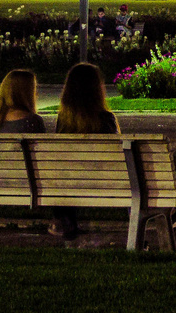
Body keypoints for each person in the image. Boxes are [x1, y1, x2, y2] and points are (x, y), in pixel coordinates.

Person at [50, 63, 120, 238]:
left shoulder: (63, 120)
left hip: (70, 183)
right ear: (97, 89)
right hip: (105, 183)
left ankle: (66, 222)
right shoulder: (106, 119)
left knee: (64, 171)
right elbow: (117, 155)